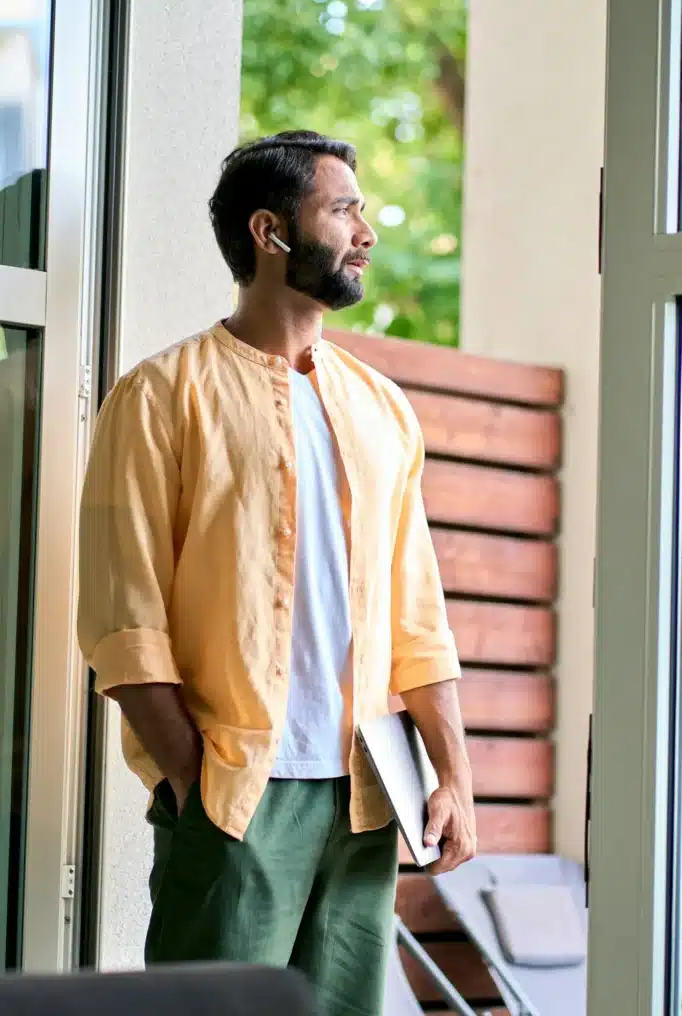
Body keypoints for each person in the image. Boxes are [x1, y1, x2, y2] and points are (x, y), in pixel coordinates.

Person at [77, 130, 476, 1016]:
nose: (366, 231)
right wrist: (196, 782)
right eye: (343, 209)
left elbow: (419, 614)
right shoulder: (160, 395)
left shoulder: (382, 409)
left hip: (367, 795)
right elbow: (122, 617)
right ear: (271, 232)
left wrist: (453, 773)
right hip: (234, 792)